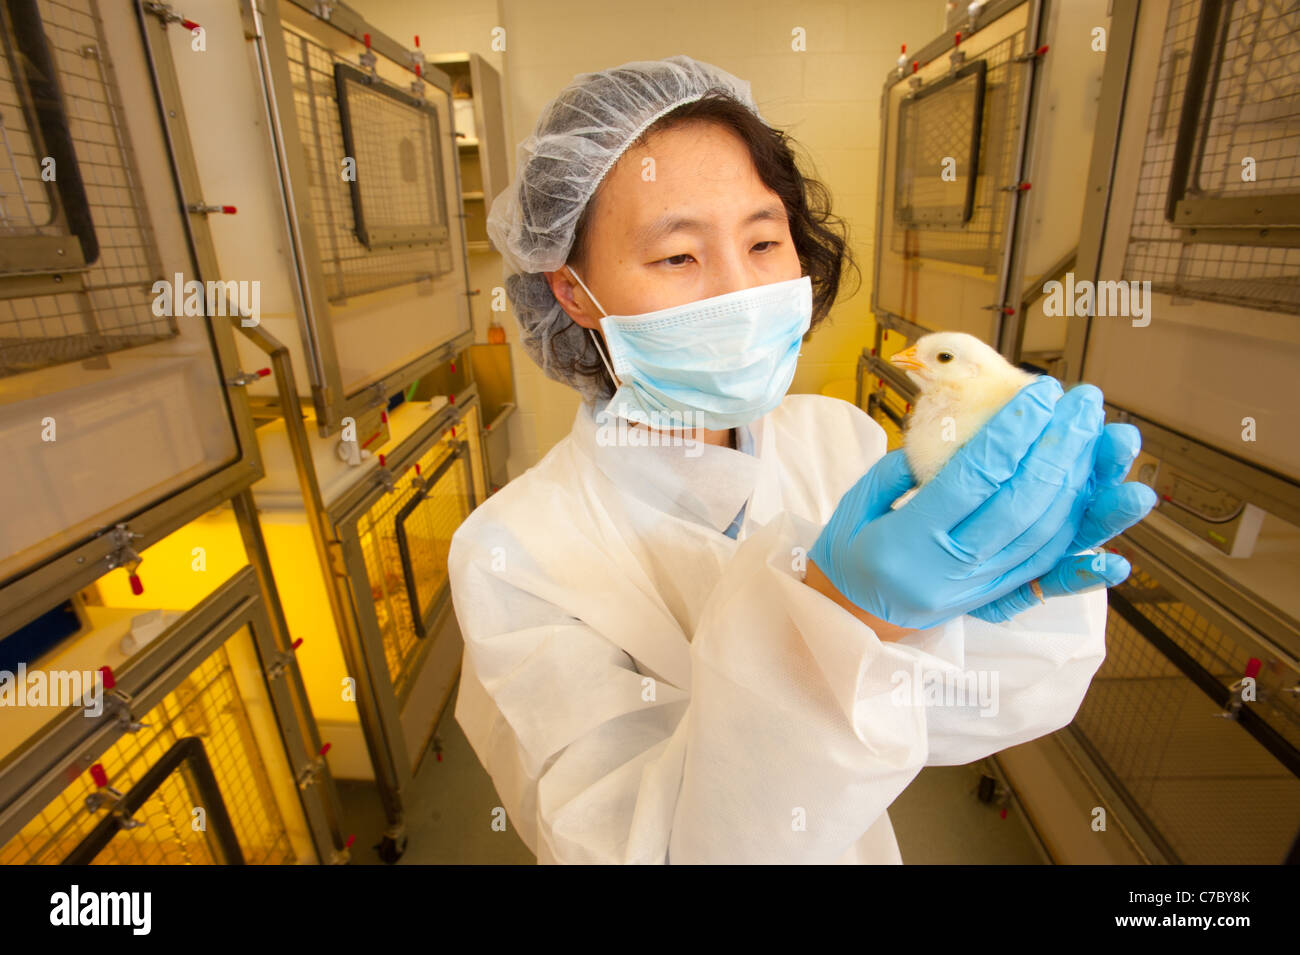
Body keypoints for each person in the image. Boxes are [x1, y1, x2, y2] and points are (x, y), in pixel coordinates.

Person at [448, 55, 1156, 864]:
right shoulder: (515, 553)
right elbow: (638, 848)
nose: (740, 293)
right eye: (679, 256)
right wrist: (846, 620)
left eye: (763, 240)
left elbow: (996, 699)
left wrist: (1016, 565)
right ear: (573, 291)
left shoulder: (835, 439)